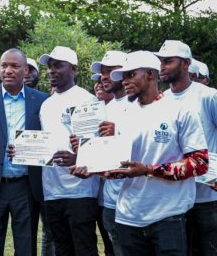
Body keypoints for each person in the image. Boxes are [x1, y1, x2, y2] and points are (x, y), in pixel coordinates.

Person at [104, 50, 208, 256]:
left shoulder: (181, 110)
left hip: (167, 217)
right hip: (127, 217)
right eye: (124, 77)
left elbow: (199, 162)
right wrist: (94, 169)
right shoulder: (123, 115)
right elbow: (120, 165)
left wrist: (148, 170)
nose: (125, 82)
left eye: (131, 75)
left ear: (150, 74)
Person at [0, 48, 48, 256]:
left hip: (26, 185)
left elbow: (49, 140)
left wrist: (30, 148)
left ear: (26, 70)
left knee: (26, 246)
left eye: (15, 66)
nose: (8, 70)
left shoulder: (41, 101)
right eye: (4, 66)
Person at [155, 40, 217, 255]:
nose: (162, 66)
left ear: (186, 64)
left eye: (168, 61)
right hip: (175, 198)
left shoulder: (208, 96)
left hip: (207, 197)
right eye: (160, 61)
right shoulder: (160, 101)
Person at [38, 46, 99, 256]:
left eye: (58, 66)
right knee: (62, 249)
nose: (51, 71)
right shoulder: (46, 105)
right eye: (49, 67)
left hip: (80, 189)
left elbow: (96, 145)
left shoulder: (87, 100)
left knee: (84, 248)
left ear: (73, 68)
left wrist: (78, 157)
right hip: (52, 190)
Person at [90, 50, 129, 256]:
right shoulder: (104, 108)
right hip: (109, 200)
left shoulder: (138, 104)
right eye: (103, 72)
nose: (105, 76)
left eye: (111, 71)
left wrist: (118, 133)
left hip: (135, 200)